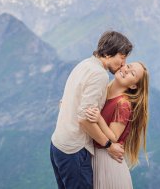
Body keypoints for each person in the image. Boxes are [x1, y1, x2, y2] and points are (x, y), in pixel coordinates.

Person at [50, 31, 133, 189]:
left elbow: (65, 102)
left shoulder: (84, 64)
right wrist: (109, 146)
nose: (123, 63)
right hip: (74, 149)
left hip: (58, 145)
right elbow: (84, 119)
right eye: (122, 57)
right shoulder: (99, 75)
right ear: (108, 54)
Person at [86, 61, 149, 189]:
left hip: (108, 163)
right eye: (128, 66)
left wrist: (99, 118)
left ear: (133, 86)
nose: (126, 70)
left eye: (132, 73)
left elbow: (114, 137)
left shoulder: (123, 104)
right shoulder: (105, 90)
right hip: (95, 157)